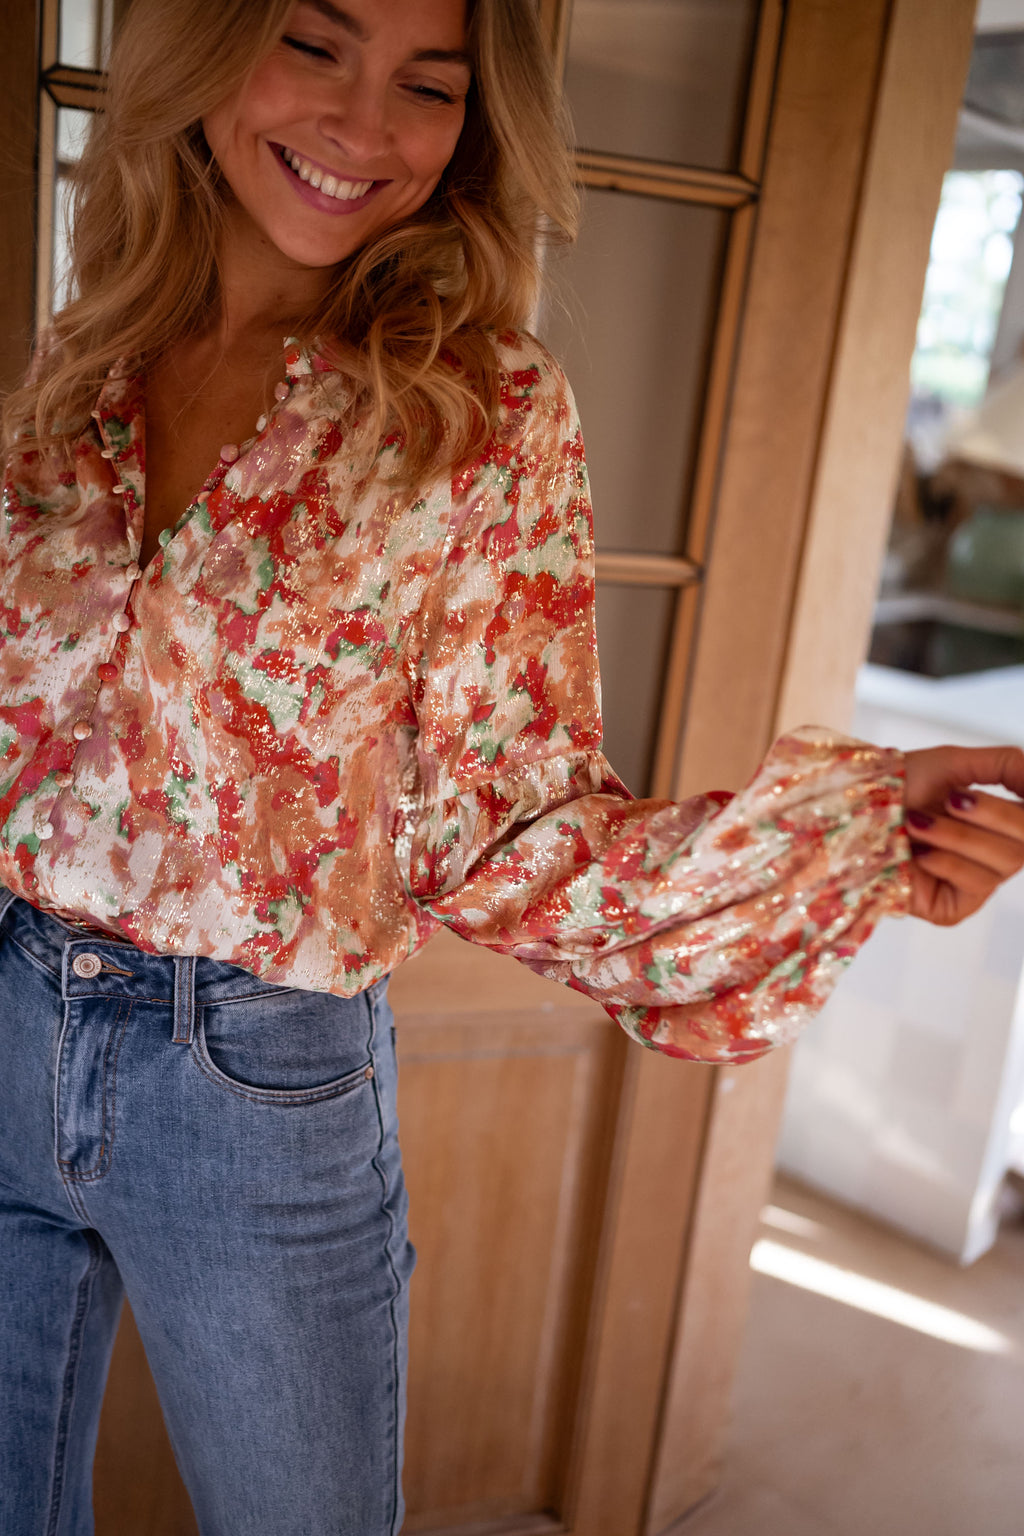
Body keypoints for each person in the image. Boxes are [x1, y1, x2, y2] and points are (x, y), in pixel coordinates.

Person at [2, 2, 1023, 1533]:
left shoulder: (475, 411)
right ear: (207, 54)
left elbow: (516, 826)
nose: (365, 126)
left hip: (251, 1079)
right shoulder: (85, 356)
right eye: (315, 46)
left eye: (430, 85)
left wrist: (860, 832)